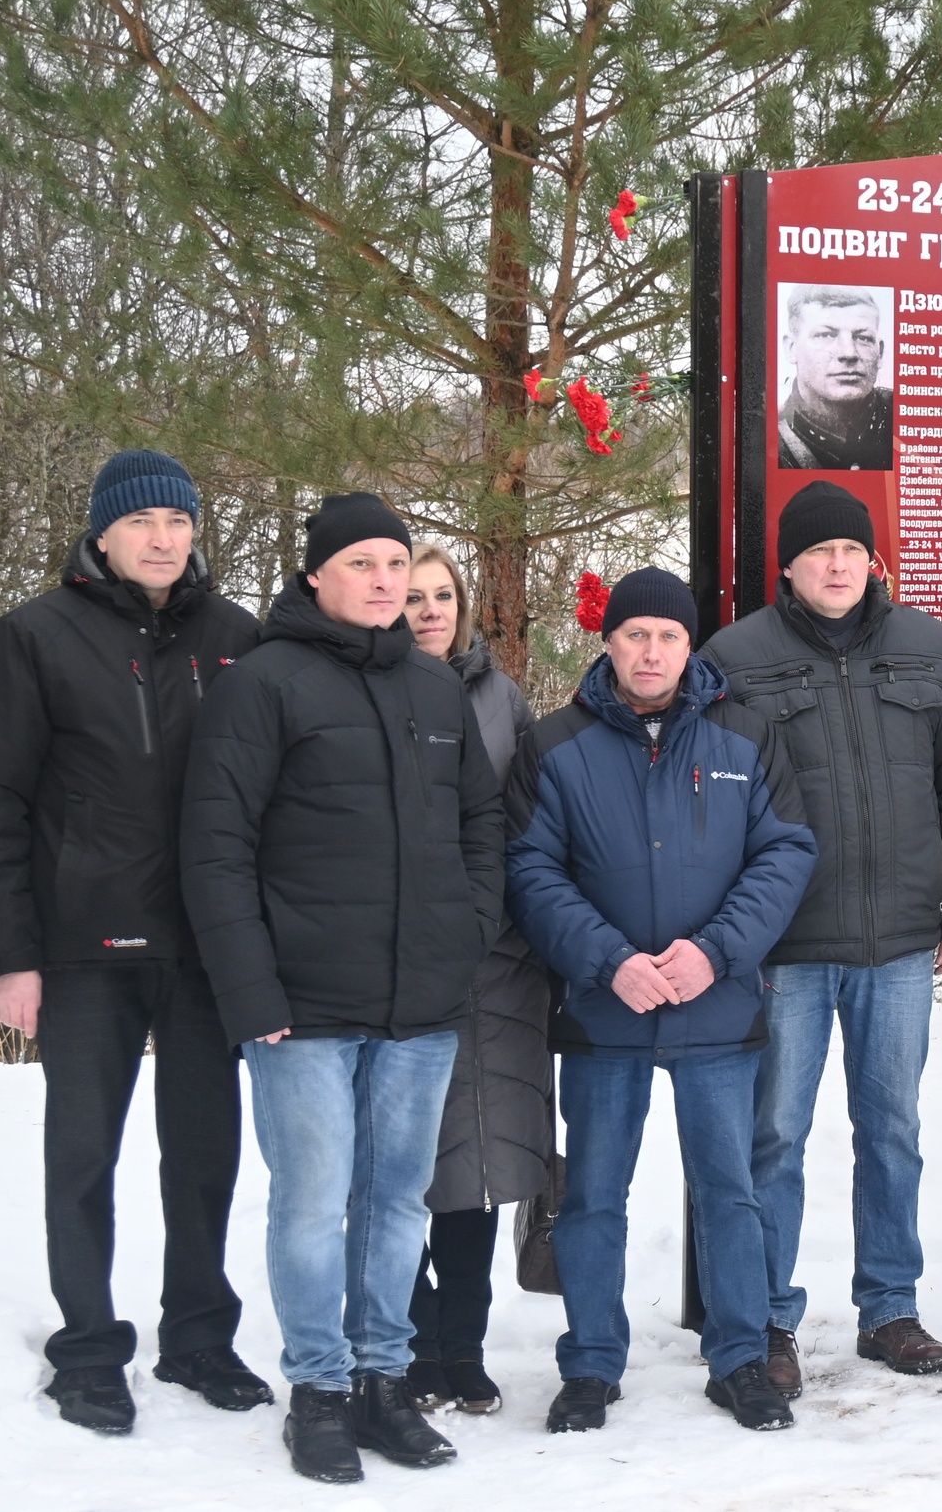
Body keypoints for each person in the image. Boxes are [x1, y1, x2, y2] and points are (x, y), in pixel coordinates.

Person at [180, 493, 503, 1482]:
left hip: (420, 1002)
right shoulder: (262, 683)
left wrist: (466, 935)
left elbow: (483, 827)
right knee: (314, 1202)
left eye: (394, 564)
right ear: (316, 575)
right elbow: (215, 847)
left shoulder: (436, 690)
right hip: (301, 1009)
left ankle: (382, 1382)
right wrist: (251, 993)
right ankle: (319, 1390)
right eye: (361, 563)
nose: (382, 581)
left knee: (397, 1203)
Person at [0, 449, 266, 1435]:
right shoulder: (33, 638)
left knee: (205, 1153)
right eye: (142, 523)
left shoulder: (237, 638)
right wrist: (9, 956)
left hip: (207, 945)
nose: (163, 539)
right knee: (83, 1155)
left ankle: (199, 1337)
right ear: (102, 534)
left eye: (178, 521)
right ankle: (88, 1350)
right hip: (83, 943)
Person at [506, 568, 819, 1435]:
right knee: (596, 1194)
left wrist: (713, 951)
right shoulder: (556, 745)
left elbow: (785, 853)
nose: (652, 651)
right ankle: (592, 1363)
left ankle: (741, 1357)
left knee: (729, 1189)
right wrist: (610, 961)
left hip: (716, 1011)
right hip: (607, 1015)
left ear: (691, 647)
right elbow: (531, 868)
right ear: (607, 641)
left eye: (669, 636)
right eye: (635, 634)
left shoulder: (744, 738)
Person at [700, 482, 942, 1397]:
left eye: (852, 550)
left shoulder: (930, 648)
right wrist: (728, 941)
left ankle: (890, 1306)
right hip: (785, 949)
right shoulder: (735, 657)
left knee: (893, 1131)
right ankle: (768, 1318)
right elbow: (708, 806)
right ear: (787, 563)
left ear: (874, 559)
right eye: (819, 550)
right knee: (776, 1135)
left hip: (901, 942)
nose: (837, 564)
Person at [398, 544, 549, 1416]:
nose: (427, 609)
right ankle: (412, 1339)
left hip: (493, 964)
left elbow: (526, 825)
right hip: (396, 963)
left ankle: (464, 1345)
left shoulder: (501, 699)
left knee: (477, 1163)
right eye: (412, 596)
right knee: (399, 1166)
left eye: (442, 594)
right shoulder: (367, 688)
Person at [777, 285, 892, 470]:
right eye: (825, 335)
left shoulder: (910, 421)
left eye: (863, 338)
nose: (849, 353)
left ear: (880, 352)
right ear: (791, 349)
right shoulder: (765, 438)